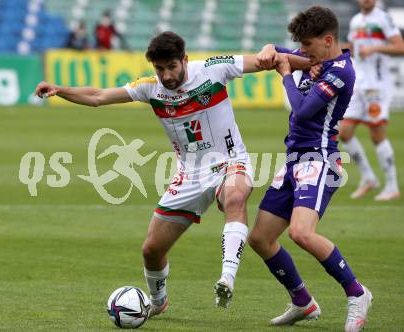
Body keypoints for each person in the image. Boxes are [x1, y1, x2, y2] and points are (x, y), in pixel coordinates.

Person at [35, 31, 310, 315]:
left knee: (235, 197)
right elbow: (98, 96)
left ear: (185, 60)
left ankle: (227, 276)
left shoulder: (214, 68)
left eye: (172, 67)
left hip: (229, 161)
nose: (166, 75)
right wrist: (60, 89)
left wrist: (318, 62)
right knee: (151, 250)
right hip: (189, 176)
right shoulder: (151, 88)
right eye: (160, 68)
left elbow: (270, 60)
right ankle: (157, 302)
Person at [248, 6, 372, 332]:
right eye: (300, 46)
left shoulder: (341, 71)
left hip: (319, 160)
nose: (303, 51)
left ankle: (357, 293)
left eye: (308, 45)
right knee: (260, 238)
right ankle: (302, 301)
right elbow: (276, 51)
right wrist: (269, 50)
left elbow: (302, 112)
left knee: (301, 232)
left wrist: (285, 73)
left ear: (328, 40)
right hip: (293, 161)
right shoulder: (313, 57)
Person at [340, 0, 404, 200]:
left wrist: (376, 49)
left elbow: (400, 47)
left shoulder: (382, 18)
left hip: (377, 85)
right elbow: (355, 47)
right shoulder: (356, 20)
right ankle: (368, 178)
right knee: (344, 131)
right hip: (360, 84)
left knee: (377, 133)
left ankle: (392, 186)